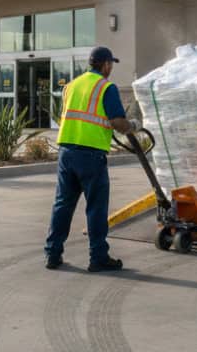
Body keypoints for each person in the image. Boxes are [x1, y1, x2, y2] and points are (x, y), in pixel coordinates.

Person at [44, 46, 139, 272]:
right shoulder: (106, 87)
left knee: (63, 205)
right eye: (111, 64)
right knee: (96, 207)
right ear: (105, 64)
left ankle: (52, 254)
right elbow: (116, 121)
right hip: (91, 155)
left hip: (66, 152)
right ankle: (98, 257)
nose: (111, 68)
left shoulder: (71, 86)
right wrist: (133, 127)